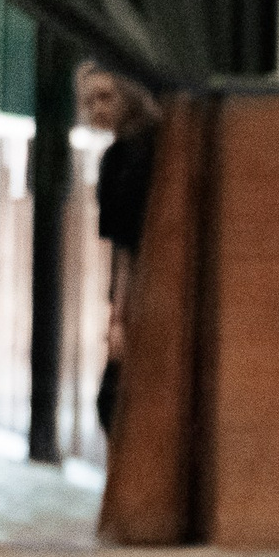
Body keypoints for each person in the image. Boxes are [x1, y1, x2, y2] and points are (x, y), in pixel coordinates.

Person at [75, 62, 163, 438]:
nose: (97, 109)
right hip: (134, 291)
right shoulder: (114, 158)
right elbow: (121, 250)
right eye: (90, 101)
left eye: (106, 97)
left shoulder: (153, 148)